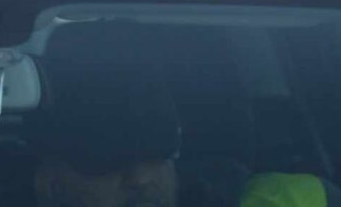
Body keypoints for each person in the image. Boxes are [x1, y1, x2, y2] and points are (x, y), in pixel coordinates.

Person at [32, 22, 340, 207]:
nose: (140, 178)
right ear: (48, 181)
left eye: (158, 149)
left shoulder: (289, 200)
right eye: (104, 159)